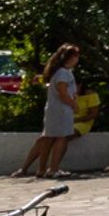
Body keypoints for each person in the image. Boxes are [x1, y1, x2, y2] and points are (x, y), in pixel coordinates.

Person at [19, 44, 84, 180]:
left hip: (55, 109)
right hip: (62, 109)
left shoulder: (61, 72)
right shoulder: (63, 73)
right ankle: (53, 168)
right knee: (61, 137)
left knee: (48, 138)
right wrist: (74, 104)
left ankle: (42, 169)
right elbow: (62, 92)